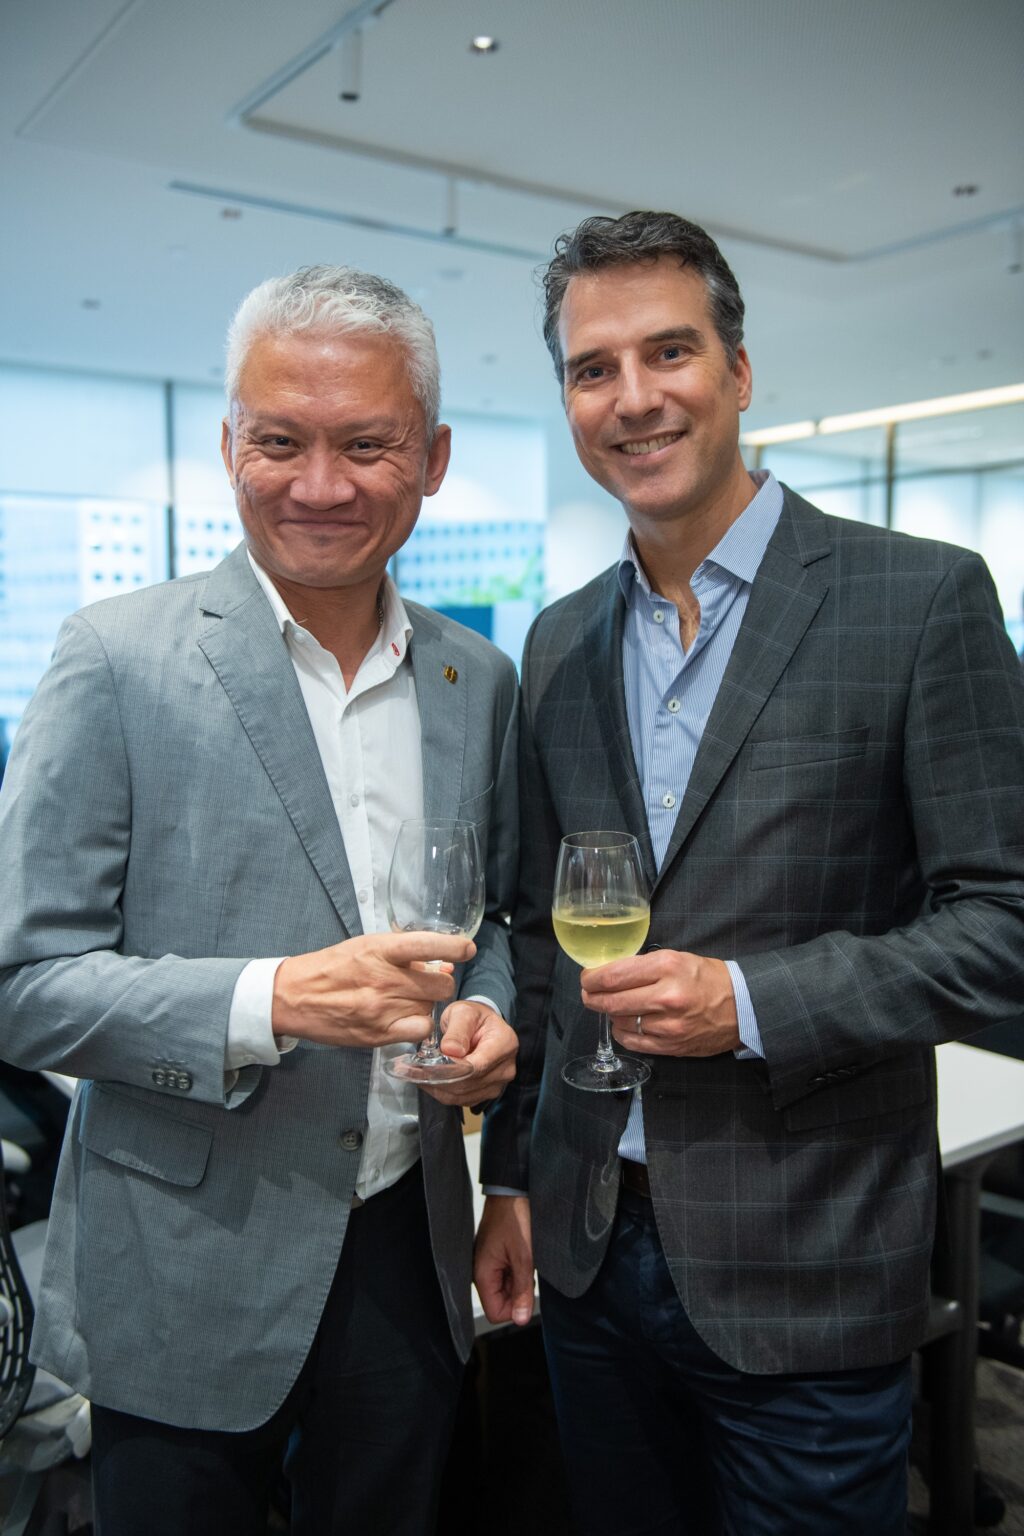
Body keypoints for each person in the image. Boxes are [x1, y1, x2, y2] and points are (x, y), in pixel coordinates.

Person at [475, 211, 1024, 1535]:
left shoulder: (918, 601)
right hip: (590, 1251)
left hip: (809, 1256)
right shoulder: (558, 644)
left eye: (668, 351)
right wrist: (510, 1180)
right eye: (592, 368)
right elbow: (541, 943)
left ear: (738, 369)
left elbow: (1005, 924)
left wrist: (753, 1002)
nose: (632, 397)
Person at [0, 265, 519, 1536]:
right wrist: (271, 999)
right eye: (279, 442)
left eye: (367, 445)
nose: (319, 486)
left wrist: (490, 1010)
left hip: (407, 1240)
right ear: (229, 444)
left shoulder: (476, 678)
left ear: (434, 458)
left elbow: (490, 920)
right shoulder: (116, 658)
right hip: (185, 1250)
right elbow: (21, 985)